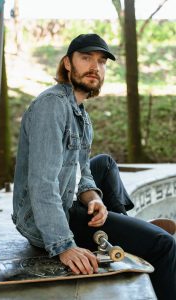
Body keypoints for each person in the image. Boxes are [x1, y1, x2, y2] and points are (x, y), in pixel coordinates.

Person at [12, 33, 176, 300]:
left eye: (101, 62)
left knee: (105, 163)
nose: (94, 67)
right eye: (86, 58)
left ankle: (122, 225)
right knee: (164, 245)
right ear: (67, 63)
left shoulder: (80, 114)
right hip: (47, 222)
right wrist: (64, 246)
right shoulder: (52, 106)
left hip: (67, 199)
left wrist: (94, 197)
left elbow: (84, 173)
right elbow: (42, 183)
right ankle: (133, 237)